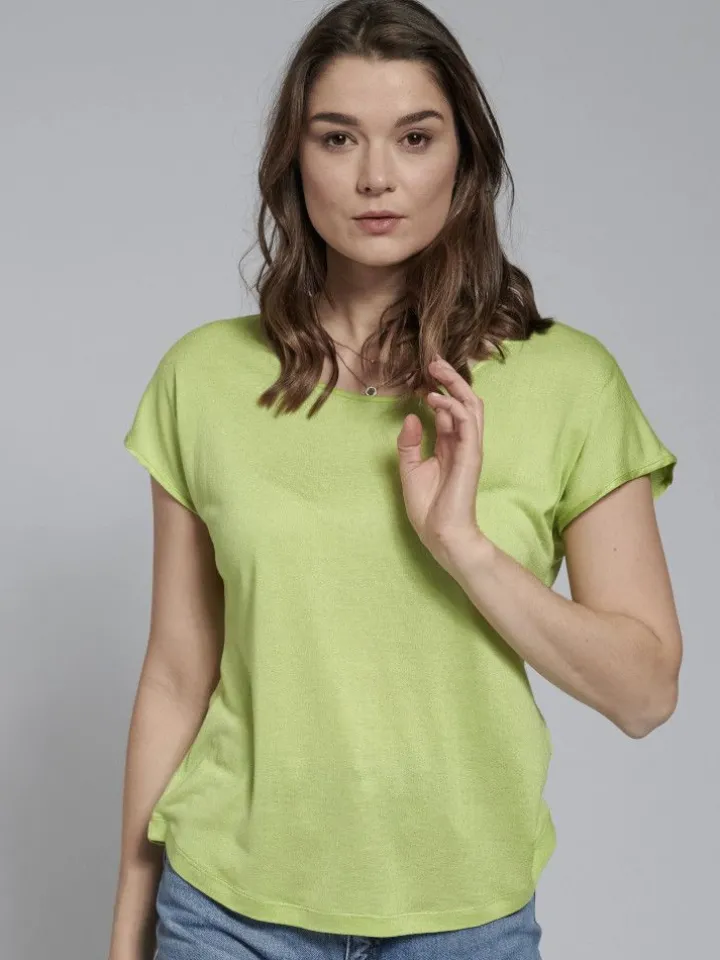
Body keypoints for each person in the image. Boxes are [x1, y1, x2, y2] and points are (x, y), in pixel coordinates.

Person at [108, 1, 683, 958]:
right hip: (224, 917)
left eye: (415, 137)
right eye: (338, 137)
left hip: (464, 924)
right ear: (294, 160)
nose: (376, 176)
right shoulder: (202, 378)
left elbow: (646, 694)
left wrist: (464, 547)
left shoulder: (571, 383)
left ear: (465, 158)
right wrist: (127, 934)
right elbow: (175, 675)